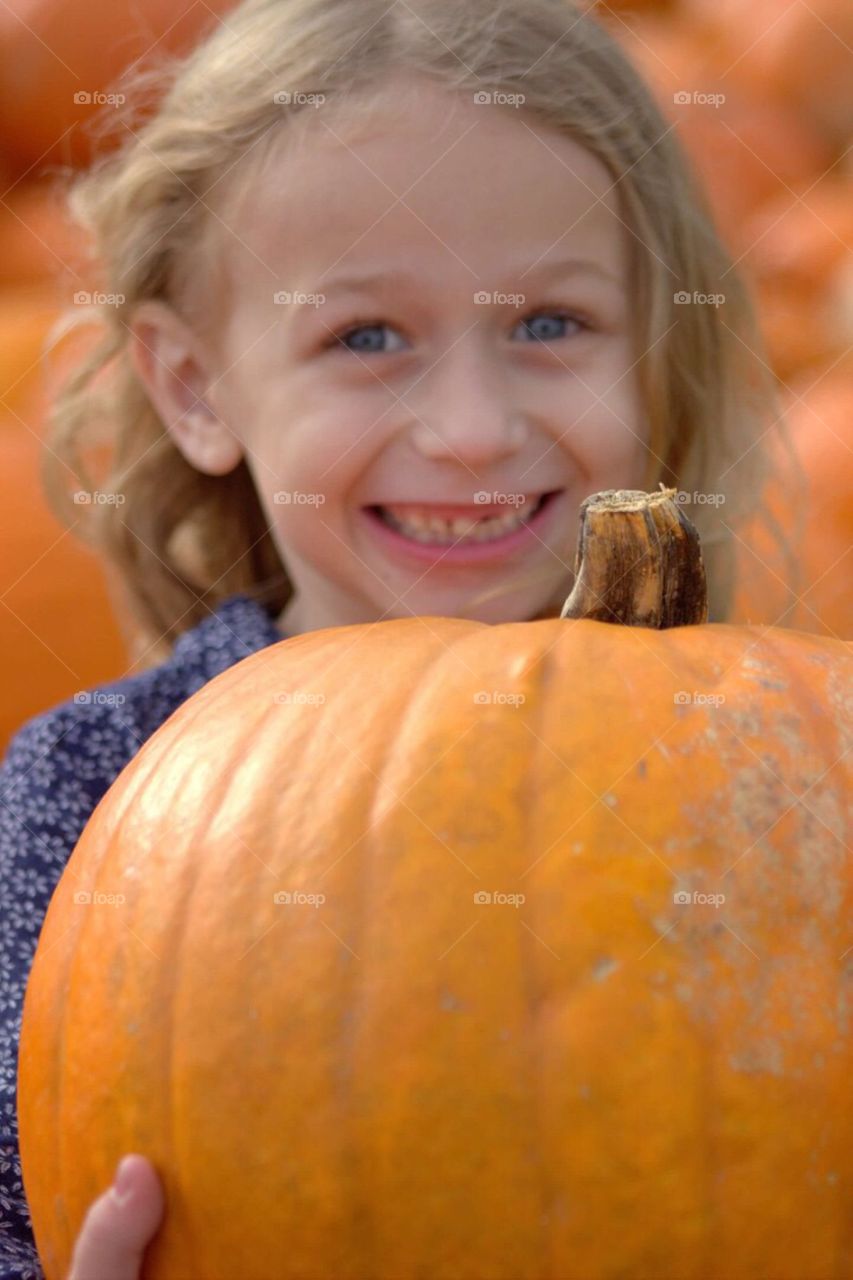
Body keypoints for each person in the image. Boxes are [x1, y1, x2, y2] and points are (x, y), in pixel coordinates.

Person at [0, 0, 787, 1274]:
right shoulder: (91, 796)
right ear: (196, 386)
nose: (471, 428)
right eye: (366, 337)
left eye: (547, 324)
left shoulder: (770, 784)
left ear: (654, 346)